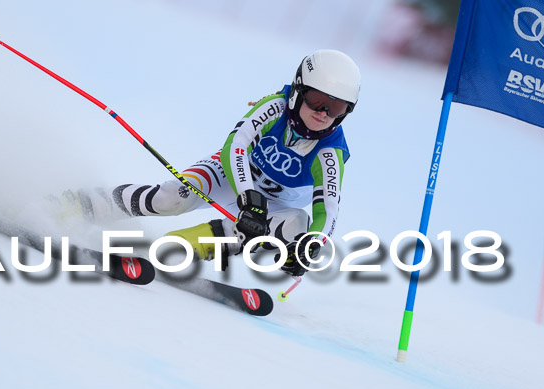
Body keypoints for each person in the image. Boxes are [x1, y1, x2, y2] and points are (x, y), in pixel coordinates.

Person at [60, 49, 360, 276]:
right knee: (171, 199)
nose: (322, 112)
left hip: (275, 207)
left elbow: (328, 209)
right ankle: (75, 204)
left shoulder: (330, 152)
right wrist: (247, 195)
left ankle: (174, 248)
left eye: (335, 107)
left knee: (296, 225)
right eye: (317, 99)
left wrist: (311, 246)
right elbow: (235, 148)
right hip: (231, 176)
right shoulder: (275, 108)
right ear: (298, 90)